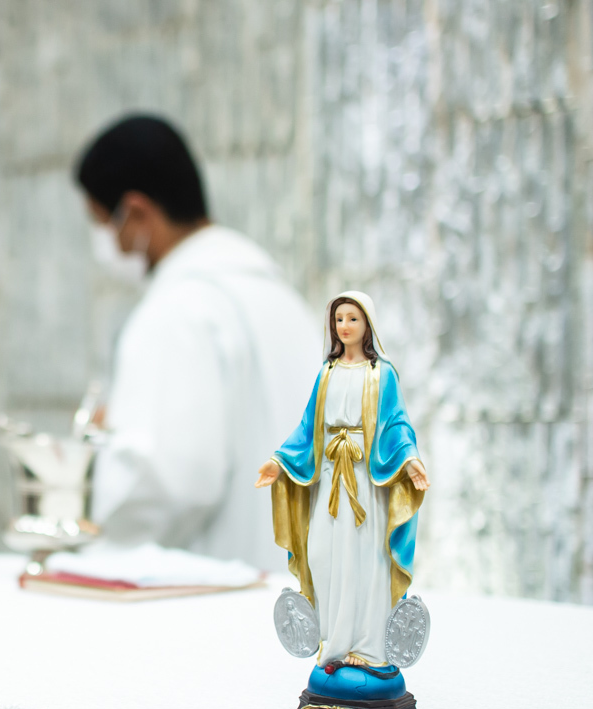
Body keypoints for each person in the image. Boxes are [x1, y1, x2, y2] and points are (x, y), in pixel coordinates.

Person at [75, 114, 320, 571]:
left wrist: (98, 472)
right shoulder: (278, 296)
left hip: (223, 603)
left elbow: (164, 484)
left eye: (102, 223)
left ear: (137, 213)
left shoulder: (177, 312)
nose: (106, 244)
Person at [256, 291, 430, 667]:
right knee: (322, 553)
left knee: (365, 558)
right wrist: (279, 461)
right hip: (332, 476)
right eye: (339, 319)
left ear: (367, 323)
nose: (345, 326)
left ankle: (367, 649)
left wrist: (410, 458)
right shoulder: (328, 372)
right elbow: (308, 427)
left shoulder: (381, 374)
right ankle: (333, 642)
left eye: (352, 318)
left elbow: (396, 423)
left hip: (366, 482)